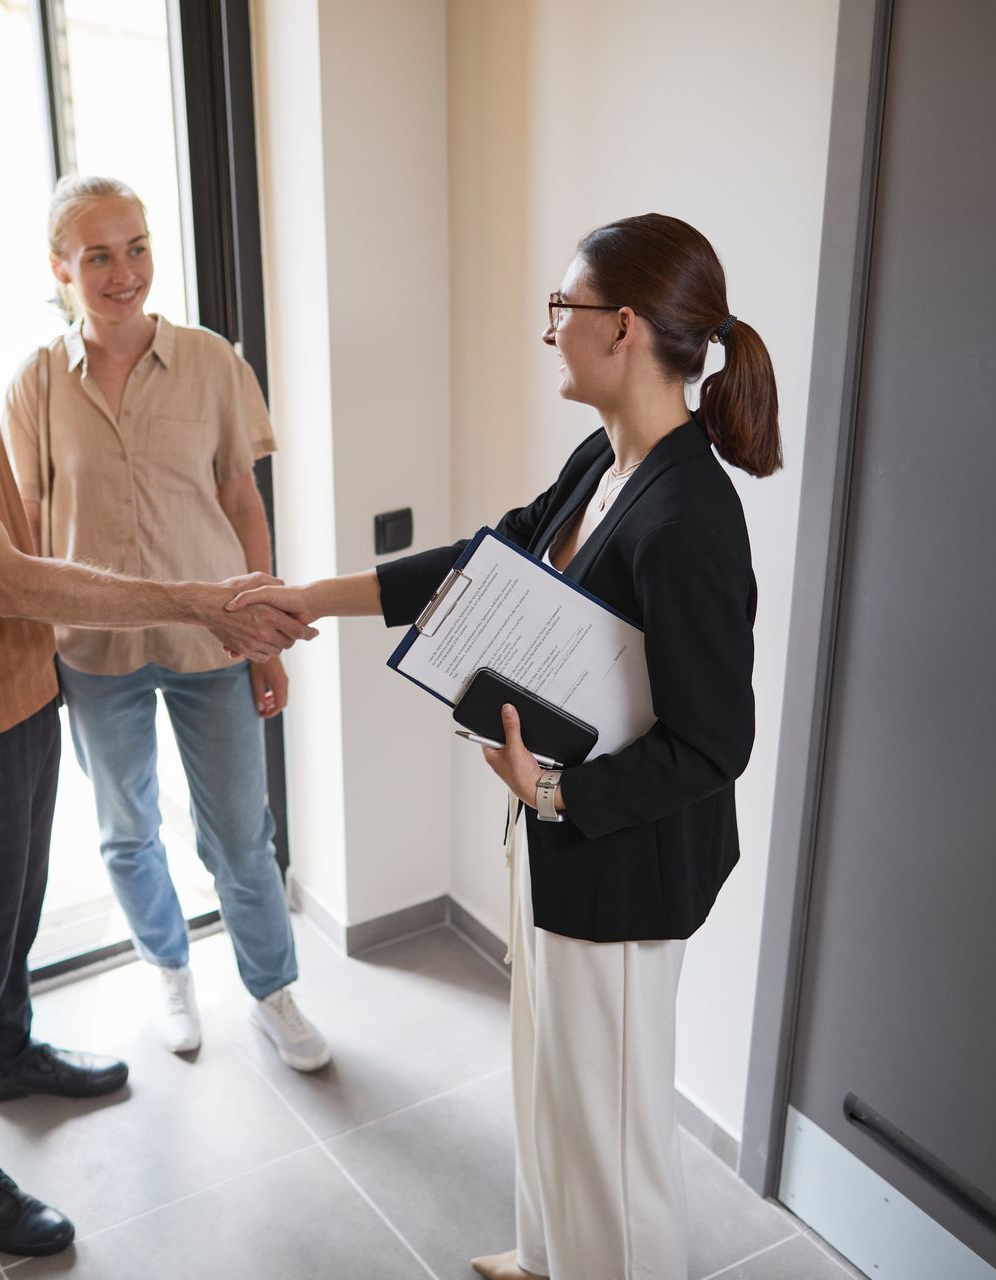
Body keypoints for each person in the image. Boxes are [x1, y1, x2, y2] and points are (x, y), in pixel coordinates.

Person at [0, 99, 315, 1259]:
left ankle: (11, 1049)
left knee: (14, 917)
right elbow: (13, 572)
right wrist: (200, 599)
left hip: (27, 693)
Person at [230, 213, 777, 1280]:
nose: (548, 332)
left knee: (616, 1149)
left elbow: (718, 744)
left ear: (621, 327)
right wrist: (312, 598)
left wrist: (559, 796)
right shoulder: (607, 458)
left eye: (560, 310)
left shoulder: (689, 520)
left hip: (620, 864)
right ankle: (544, 1254)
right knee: (547, 1079)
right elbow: (485, 563)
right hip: (553, 827)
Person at [1, 175, 329, 1071]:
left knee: (239, 833)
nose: (124, 272)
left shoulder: (213, 363)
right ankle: (169, 971)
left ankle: (273, 990)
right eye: (99, 255)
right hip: (94, 652)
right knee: (127, 830)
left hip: (211, 640)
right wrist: (34, 647)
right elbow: (28, 521)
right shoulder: (34, 382)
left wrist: (264, 633)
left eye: (137, 247)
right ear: (61, 268)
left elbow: (239, 499)